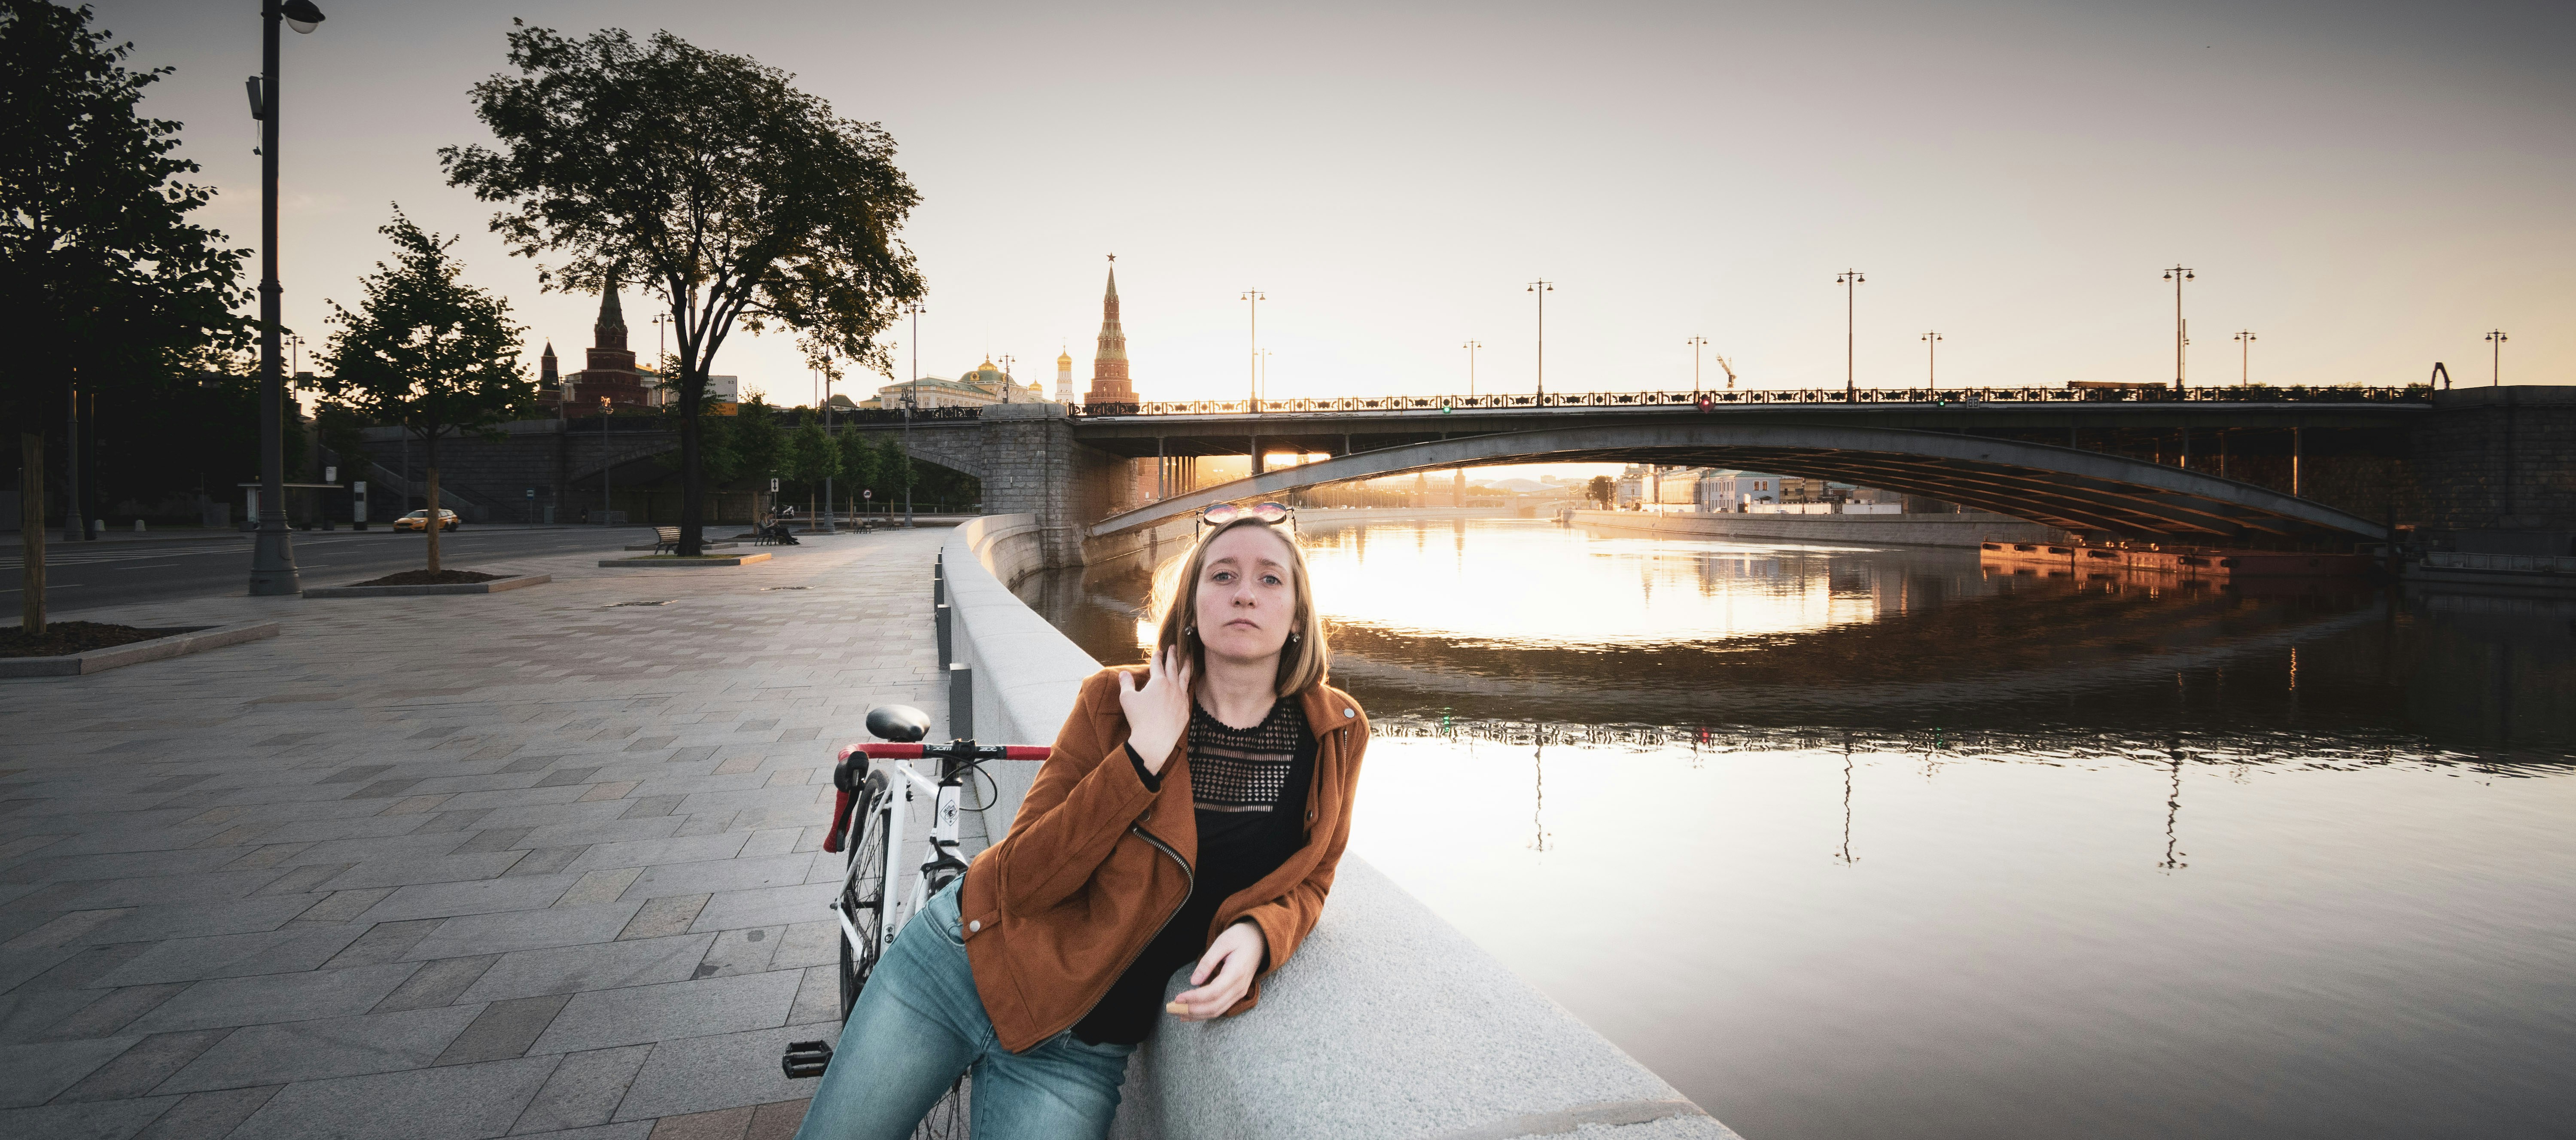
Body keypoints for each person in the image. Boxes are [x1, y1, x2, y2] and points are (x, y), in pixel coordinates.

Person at [794, 503, 1369, 1140]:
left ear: (1297, 616)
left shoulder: (1333, 733)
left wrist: (1262, 934)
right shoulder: (1114, 702)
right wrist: (1140, 758)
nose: (1244, 594)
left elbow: (1313, 878)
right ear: (1192, 602)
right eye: (1222, 575)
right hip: (958, 967)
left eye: (1269, 579)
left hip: (1075, 1055)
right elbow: (1021, 881)